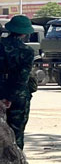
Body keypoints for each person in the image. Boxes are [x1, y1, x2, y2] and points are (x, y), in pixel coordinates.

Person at [0, 15, 37, 149]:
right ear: (24, 33)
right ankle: (16, 160)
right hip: (18, 97)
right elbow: (22, 78)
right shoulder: (27, 51)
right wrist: (10, 98)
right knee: (17, 133)